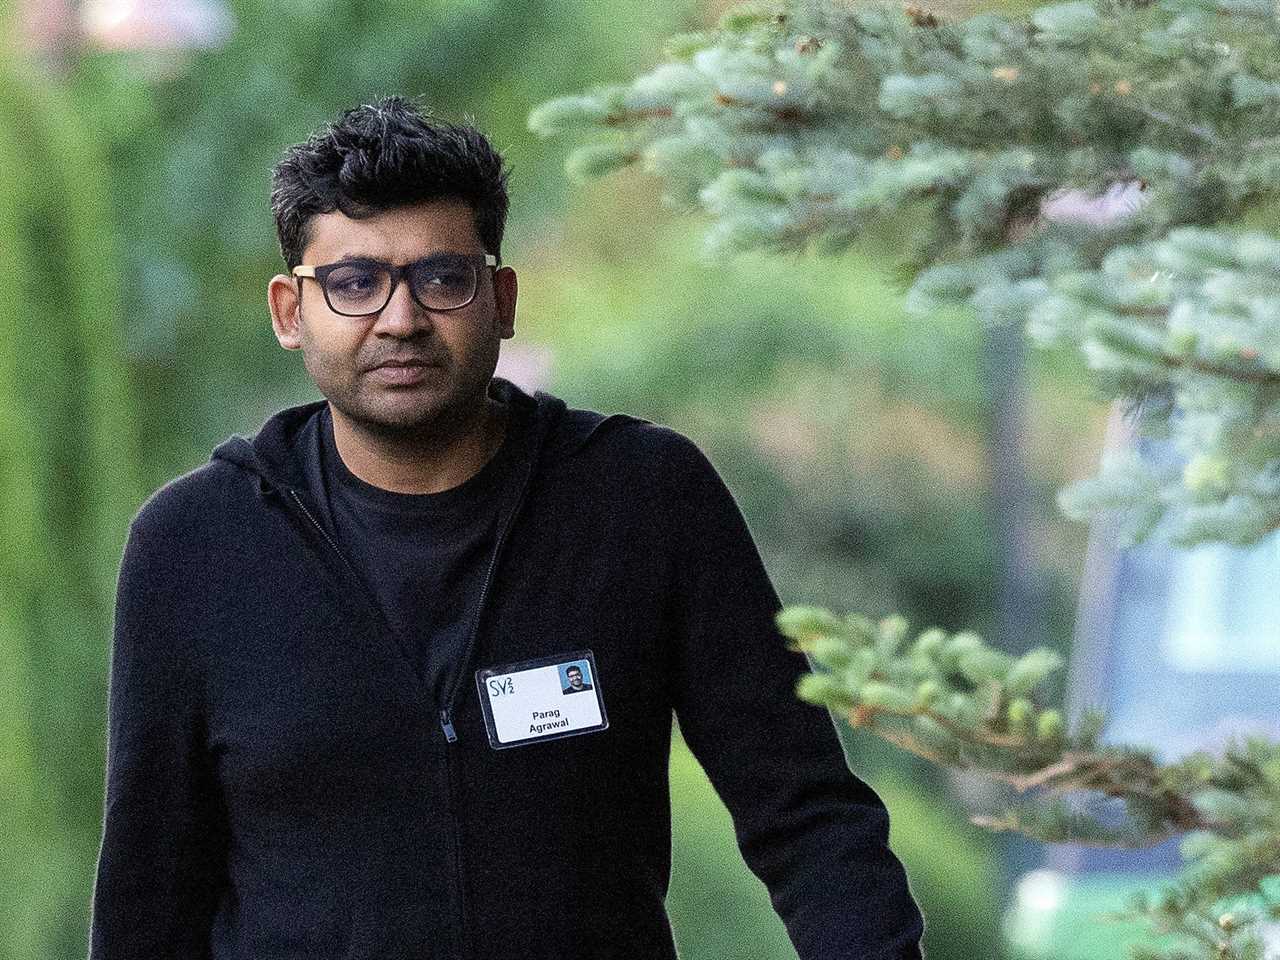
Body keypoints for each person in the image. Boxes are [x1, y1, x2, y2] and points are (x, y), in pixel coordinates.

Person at [89, 96, 925, 960]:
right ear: (290, 312)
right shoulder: (196, 546)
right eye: (354, 283)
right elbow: (149, 899)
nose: (401, 318)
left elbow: (807, 815)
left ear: (502, 298)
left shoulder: (643, 500)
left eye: (442, 278)